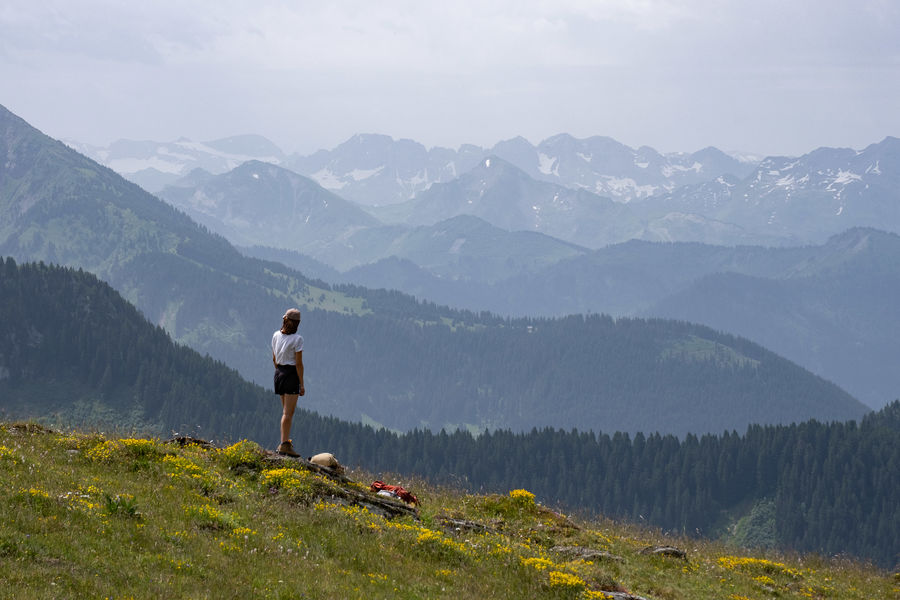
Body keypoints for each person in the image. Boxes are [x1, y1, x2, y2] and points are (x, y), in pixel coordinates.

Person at [271, 308, 305, 456]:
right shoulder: (297, 339)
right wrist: (301, 384)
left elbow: (274, 358)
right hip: (291, 375)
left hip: (279, 373)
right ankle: (284, 443)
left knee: (285, 411)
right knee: (288, 413)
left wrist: (279, 372)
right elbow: (298, 364)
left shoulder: (276, 335)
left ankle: (285, 441)